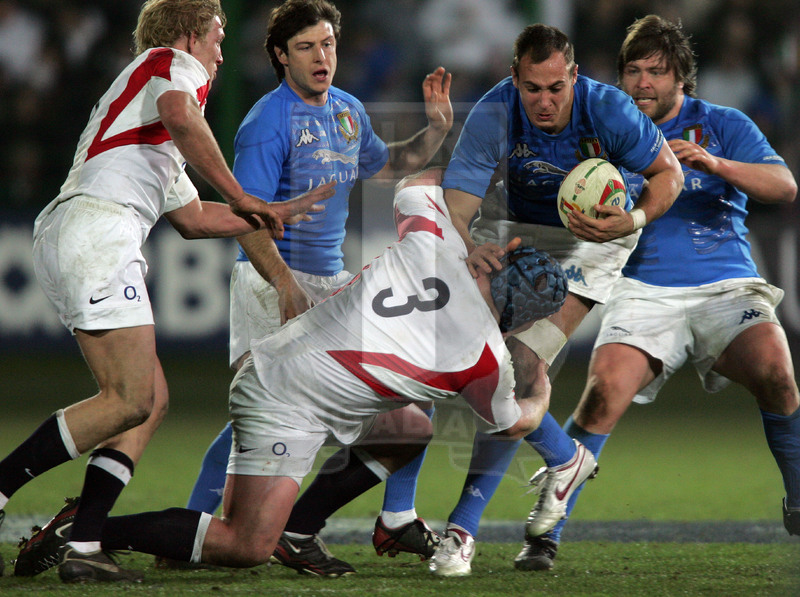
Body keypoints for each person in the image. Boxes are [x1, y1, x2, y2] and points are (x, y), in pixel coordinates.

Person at [275, 23, 685, 577]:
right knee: (435, 353)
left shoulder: (608, 110)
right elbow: (460, 201)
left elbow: (669, 175)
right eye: (532, 88)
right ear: (513, 78)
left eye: (556, 88)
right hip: (510, 224)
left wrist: (631, 219)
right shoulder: (496, 110)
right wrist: (470, 246)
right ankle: (556, 463)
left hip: (593, 237)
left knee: (517, 367)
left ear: (575, 78)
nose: (544, 101)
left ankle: (463, 528)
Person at [16, 170, 569, 580]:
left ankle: (299, 531)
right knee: (242, 545)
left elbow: (418, 184)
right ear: (522, 317)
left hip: (285, 364)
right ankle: (86, 530)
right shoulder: (485, 359)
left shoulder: (434, 240)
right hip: (284, 402)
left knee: (410, 429)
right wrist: (540, 385)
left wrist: (478, 209)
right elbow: (514, 422)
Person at [4, 0, 330, 583]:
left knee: (146, 401)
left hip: (85, 232)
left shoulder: (149, 128)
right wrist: (247, 195)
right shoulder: (167, 64)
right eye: (218, 36)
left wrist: (270, 213)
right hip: (98, 229)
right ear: (188, 35)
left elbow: (196, 219)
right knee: (129, 398)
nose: (222, 52)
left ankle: (83, 547)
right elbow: (186, 117)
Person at [149, 0, 454, 573]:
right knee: (258, 423)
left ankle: (391, 517)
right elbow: (249, 218)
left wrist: (434, 129)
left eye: (329, 44)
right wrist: (285, 283)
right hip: (274, 282)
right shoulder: (268, 121)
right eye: (308, 46)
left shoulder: (346, 110)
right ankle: (199, 532)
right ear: (280, 56)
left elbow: (388, 164)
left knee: (406, 401)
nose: (323, 56)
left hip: (332, 286)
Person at [516, 14, 800, 572]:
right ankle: (545, 534)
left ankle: (798, 496)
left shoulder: (722, 124)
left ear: (681, 79)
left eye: (656, 71)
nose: (642, 82)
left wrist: (715, 163)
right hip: (642, 289)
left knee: (778, 374)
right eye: (633, 71)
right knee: (601, 396)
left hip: (726, 283)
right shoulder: (608, 131)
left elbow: (785, 186)